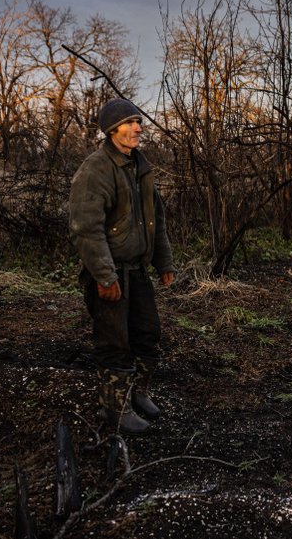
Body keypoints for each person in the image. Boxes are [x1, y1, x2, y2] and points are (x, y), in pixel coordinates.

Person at [68, 98, 175, 435]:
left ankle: (137, 394)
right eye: (129, 123)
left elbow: (154, 219)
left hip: (137, 270)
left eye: (138, 122)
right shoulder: (95, 169)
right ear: (111, 130)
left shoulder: (140, 166)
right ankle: (116, 410)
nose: (137, 128)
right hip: (110, 273)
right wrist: (103, 276)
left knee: (147, 333)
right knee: (115, 343)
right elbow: (86, 228)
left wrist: (164, 262)